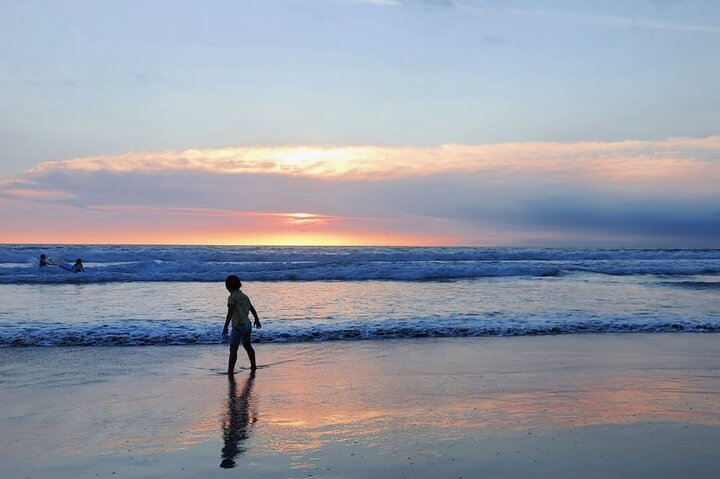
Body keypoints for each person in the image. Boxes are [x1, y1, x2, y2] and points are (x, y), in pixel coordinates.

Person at [222, 275, 261, 374]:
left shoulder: (232, 297)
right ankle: (253, 366)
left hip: (238, 325)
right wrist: (257, 319)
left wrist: (226, 326)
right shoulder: (244, 296)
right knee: (248, 346)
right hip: (247, 325)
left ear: (227, 287)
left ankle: (230, 371)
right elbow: (252, 308)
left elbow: (230, 313)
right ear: (239, 285)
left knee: (233, 349)